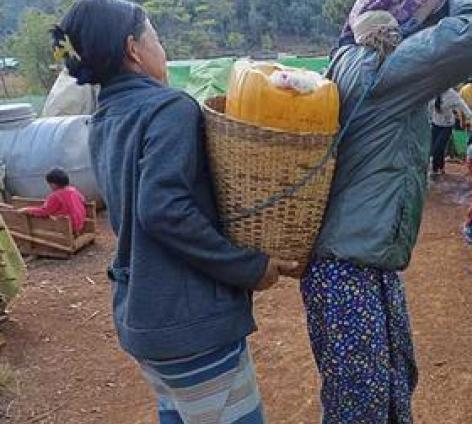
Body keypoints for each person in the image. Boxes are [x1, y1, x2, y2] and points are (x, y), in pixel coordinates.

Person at [53, 1, 297, 422]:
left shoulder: (105, 117)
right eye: (157, 38)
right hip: (191, 325)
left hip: (144, 319)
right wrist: (247, 267)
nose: (162, 51)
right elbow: (163, 209)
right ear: (133, 49)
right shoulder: (169, 109)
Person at [306, 0, 472, 421]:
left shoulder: (349, 57)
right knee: (363, 408)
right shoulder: (382, 64)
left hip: (356, 261)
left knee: (388, 389)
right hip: (350, 269)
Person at [18, 168, 87, 234]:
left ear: (54, 184)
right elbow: (83, 200)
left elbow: (44, 211)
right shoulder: (73, 190)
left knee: (46, 218)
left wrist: (27, 209)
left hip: (69, 227)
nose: (49, 186)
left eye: (50, 184)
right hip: (80, 223)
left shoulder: (55, 196)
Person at [429, 88, 472, 175]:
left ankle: (435, 169)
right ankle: (440, 167)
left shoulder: (451, 94)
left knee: (439, 146)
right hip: (435, 123)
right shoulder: (432, 91)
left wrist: (469, 117)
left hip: (447, 125)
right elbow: (429, 106)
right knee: (436, 147)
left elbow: (461, 104)